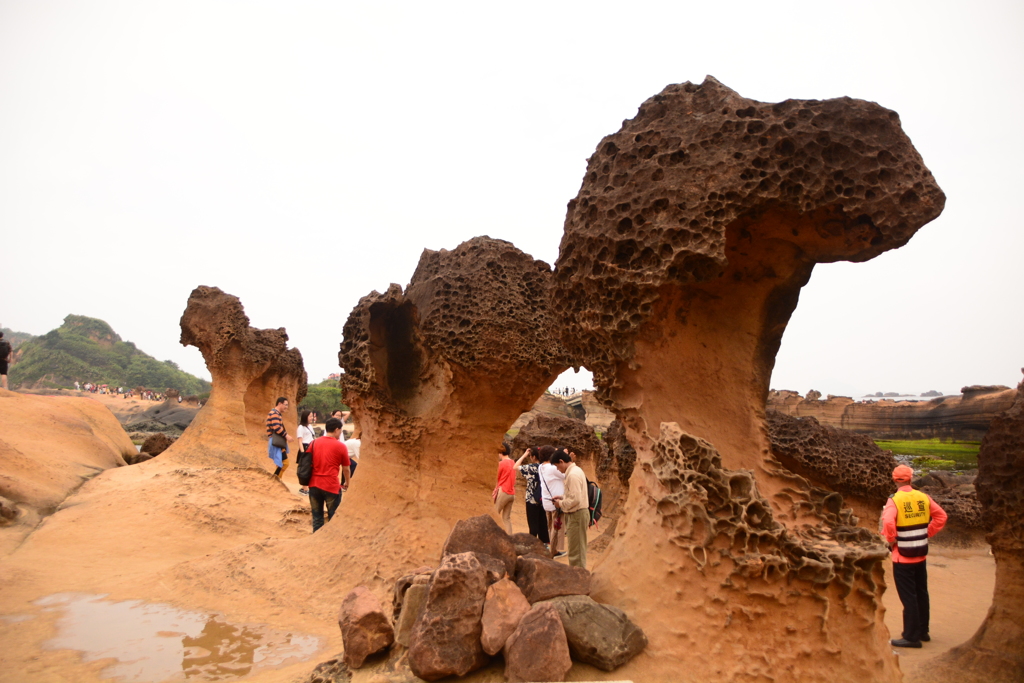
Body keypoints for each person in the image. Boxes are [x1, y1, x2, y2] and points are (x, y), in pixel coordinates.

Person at [882, 464, 948, 648]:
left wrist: (891, 539)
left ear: (894, 480)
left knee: (908, 596)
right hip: (920, 552)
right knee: (921, 593)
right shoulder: (923, 497)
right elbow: (941, 516)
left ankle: (911, 637)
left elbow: (887, 521)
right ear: (911, 478)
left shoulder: (894, 500)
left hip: (902, 556)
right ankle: (923, 631)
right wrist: (927, 532)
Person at [308, 417, 351, 532]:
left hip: (314, 484)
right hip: (331, 485)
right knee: (333, 517)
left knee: (317, 517)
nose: (340, 434)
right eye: (340, 431)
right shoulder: (341, 446)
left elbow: (308, 461)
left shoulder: (314, 442)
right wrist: (347, 482)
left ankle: (316, 540)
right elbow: (346, 468)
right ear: (337, 429)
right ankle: (331, 540)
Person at [552, 449, 589, 568]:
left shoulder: (572, 475)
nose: (558, 469)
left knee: (576, 551)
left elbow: (576, 499)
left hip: (576, 515)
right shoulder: (576, 470)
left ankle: (579, 578)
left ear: (561, 461)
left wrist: (561, 503)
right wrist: (563, 497)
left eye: (557, 466)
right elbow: (576, 494)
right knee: (576, 548)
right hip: (577, 514)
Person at [514, 447, 549, 544]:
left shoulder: (531, 467)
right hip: (543, 498)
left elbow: (515, 467)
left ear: (533, 457)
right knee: (543, 523)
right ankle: (545, 545)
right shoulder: (545, 467)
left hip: (531, 499)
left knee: (533, 525)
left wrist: (524, 455)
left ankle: (533, 546)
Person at [538, 446, 565, 558]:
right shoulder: (552, 468)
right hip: (556, 502)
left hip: (547, 501)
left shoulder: (541, 467)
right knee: (557, 528)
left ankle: (551, 549)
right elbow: (566, 474)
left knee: (550, 527)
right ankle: (553, 551)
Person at [265, 397, 294, 479]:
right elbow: (277, 428)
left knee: (280, 463)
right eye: (285, 405)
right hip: (276, 442)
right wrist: (287, 436)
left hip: (277, 441)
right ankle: (275, 480)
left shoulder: (276, 413)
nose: (286, 407)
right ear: (279, 404)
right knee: (285, 463)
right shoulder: (274, 413)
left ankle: (277, 479)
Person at [492, 442, 515, 534]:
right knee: (506, 518)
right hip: (512, 493)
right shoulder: (513, 462)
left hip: (503, 491)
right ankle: (509, 538)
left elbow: (496, 477)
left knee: (495, 515)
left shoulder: (501, 464)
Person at [296, 410, 316, 495]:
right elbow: (300, 441)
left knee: (310, 467)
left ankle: (306, 487)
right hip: (305, 448)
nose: (312, 418)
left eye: (312, 416)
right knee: (305, 468)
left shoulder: (310, 426)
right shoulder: (301, 427)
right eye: (310, 416)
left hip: (312, 447)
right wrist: (303, 452)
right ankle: (304, 489)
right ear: (305, 417)